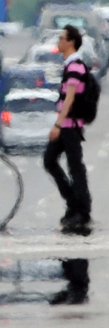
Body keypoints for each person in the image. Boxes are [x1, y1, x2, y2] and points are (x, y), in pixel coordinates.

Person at [43, 25, 92, 235]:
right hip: (66, 125)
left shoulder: (75, 67)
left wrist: (57, 125)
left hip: (69, 127)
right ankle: (74, 203)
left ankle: (81, 209)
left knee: (75, 168)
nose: (58, 41)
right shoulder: (70, 65)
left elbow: (70, 99)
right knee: (51, 161)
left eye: (62, 38)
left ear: (71, 41)